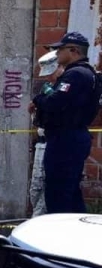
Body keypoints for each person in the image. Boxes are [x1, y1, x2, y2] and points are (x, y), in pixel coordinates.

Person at [30, 32, 97, 213]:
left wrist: (38, 100)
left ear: (73, 50)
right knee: (71, 193)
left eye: (60, 49)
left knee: (57, 195)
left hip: (65, 139)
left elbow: (54, 102)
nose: (57, 53)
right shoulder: (87, 73)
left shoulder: (75, 74)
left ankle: (59, 236)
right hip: (72, 137)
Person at [30, 50, 63, 217]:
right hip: (41, 143)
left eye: (51, 73)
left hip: (54, 143)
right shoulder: (47, 89)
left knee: (46, 190)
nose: (48, 78)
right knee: (35, 189)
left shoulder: (64, 89)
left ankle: (37, 224)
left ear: (60, 68)